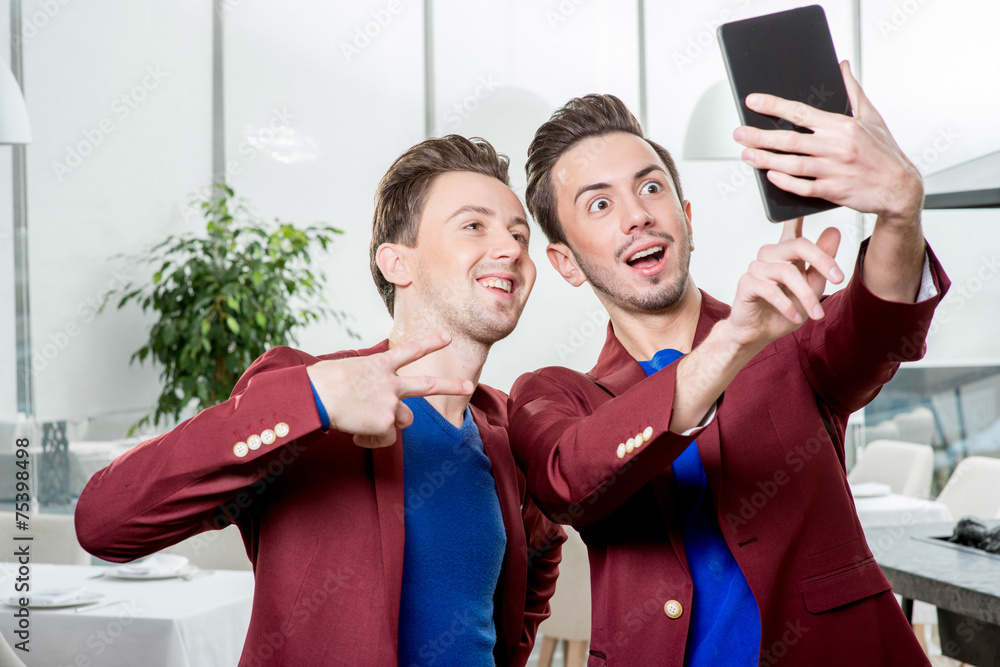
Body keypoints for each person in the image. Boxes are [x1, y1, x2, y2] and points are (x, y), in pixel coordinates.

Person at [509, 62, 948, 666]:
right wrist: (731, 343)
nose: (636, 214)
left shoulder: (788, 332)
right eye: (600, 203)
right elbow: (569, 484)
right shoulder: (557, 395)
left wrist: (901, 209)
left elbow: (880, 328)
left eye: (651, 187)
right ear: (565, 263)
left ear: (686, 219)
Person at [75, 135, 565, 667]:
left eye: (520, 233)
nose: (512, 247)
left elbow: (538, 558)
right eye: (474, 225)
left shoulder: (507, 431)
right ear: (396, 262)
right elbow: (105, 522)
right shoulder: (302, 393)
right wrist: (316, 397)